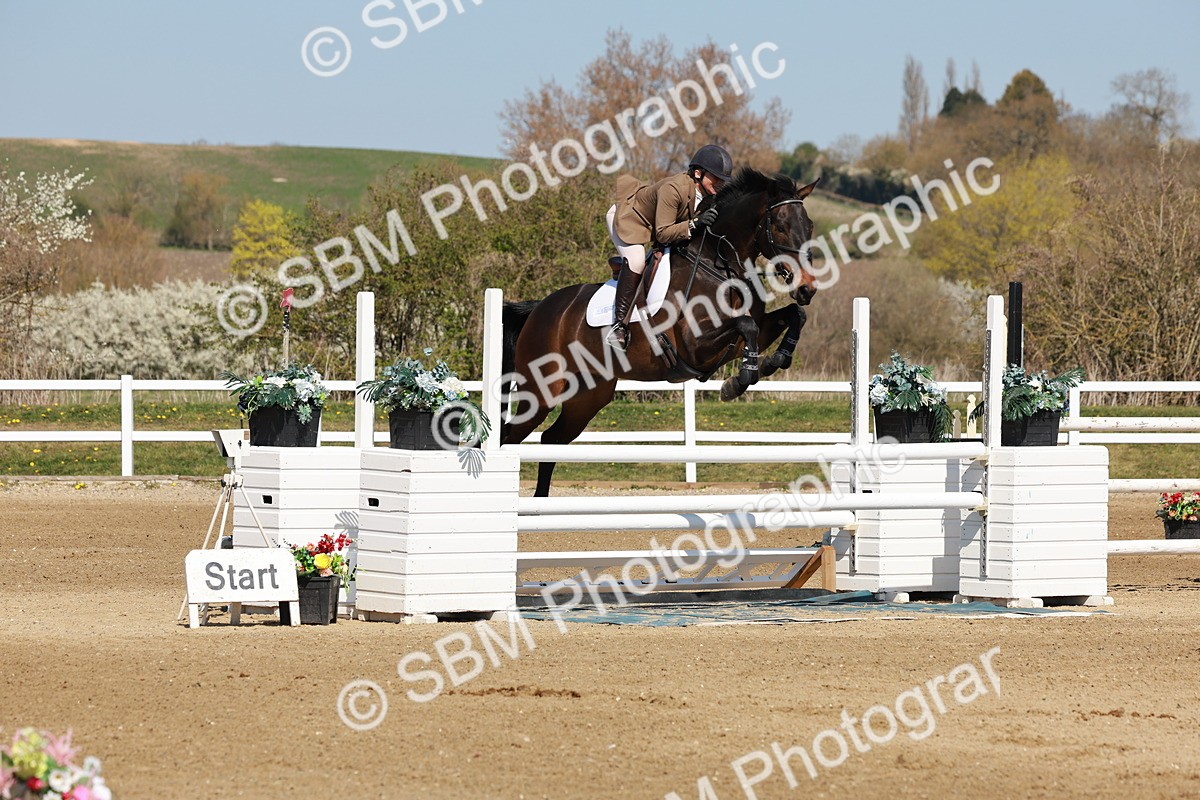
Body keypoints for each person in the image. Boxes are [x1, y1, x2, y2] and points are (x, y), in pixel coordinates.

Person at [604, 144, 733, 351]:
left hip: (653, 225)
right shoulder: (673, 189)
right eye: (716, 177)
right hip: (627, 219)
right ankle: (619, 327)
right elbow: (664, 232)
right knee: (637, 262)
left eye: (723, 179)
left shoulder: (709, 195)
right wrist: (694, 224)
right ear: (698, 173)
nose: (720, 183)